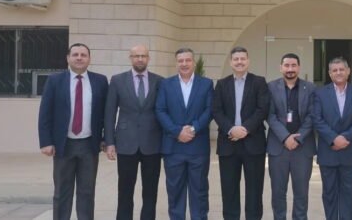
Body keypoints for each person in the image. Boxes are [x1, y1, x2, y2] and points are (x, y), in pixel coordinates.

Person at [38, 43, 109, 220]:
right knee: (62, 191)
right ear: (68, 58)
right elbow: (45, 112)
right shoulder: (55, 81)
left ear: (89, 59)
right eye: (75, 54)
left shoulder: (100, 81)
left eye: (83, 55)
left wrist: (105, 138)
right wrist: (46, 141)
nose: (79, 58)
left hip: (89, 145)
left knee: (87, 192)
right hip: (63, 145)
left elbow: (105, 113)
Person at [104, 44, 163, 220]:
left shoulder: (159, 81)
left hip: (152, 143)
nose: (140, 59)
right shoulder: (117, 80)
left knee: (150, 191)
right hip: (125, 143)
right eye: (136, 56)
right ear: (130, 58)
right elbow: (109, 112)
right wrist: (109, 142)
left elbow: (163, 111)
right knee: (125, 190)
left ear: (148, 58)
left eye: (143, 56)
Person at [212, 46, 270, 220]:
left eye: (242, 58)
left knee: (254, 190)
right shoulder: (222, 84)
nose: (239, 62)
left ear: (248, 61)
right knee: (229, 189)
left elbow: (262, 109)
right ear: (231, 62)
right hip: (228, 144)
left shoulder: (259, 82)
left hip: (253, 143)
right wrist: (232, 129)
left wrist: (244, 129)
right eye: (236, 59)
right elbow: (216, 110)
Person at [155, 48, 213, 220]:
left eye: (188, 60)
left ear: (194, 63)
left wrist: (193, 128)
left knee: (199, 191)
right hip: (173, 147)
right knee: (175, 191)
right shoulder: (166, 84)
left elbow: (210, 110)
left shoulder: (206, 84)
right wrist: (177, 131)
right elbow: (160, 110)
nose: (184, 64)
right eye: (180, 61)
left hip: (198, 147)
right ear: (176, 63)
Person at [312, 57, 352, 220]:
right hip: (328, 151)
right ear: (330, 74)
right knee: (329, 194)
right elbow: (317, 119)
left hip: (350, 151)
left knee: (350, 195)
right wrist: (333, 138)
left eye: (341, 69)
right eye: (334, 70)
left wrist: (345, 137)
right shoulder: (320, 93)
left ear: (348, 71)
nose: (338, 73)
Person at [267, 53, 316, 220]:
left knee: (301, 193)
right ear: (280, 67)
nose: (290, 69)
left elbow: (312, 116)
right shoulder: (270, 87)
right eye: (286, 65)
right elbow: (270, 115)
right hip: (278, 147)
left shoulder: (310, 88)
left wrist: (297, 138)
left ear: (299, 67)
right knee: (278, 193)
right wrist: (285, 137)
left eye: (293, 65)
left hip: (302, 148)